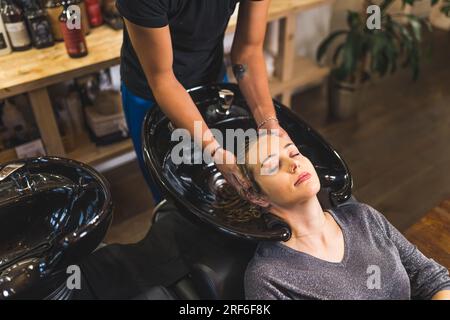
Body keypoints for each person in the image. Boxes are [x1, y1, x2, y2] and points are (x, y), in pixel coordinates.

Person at [233, 132, 450, 300]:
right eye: (273, 166)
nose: (294, 164)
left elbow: (433, 278)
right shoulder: (268, 277)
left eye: (294, 153)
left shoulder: (364, 217)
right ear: (257, 196)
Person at [116, 0, 290, 203]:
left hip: (211, 80)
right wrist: (213, 150)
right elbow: (163, 80)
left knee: (228, 188)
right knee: (172, 198)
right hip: (152, 95)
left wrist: (268, 123)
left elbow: (248, 51)